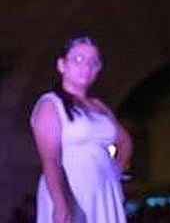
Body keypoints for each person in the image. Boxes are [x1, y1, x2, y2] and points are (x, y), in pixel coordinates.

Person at [30, 36, 131, 223]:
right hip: (71, 190)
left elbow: (124, 141)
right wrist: (60, 204)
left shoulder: (99, 106)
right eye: (78, 60)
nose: (86, 66)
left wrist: (115, 170)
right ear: (62, 65)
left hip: (103, 191)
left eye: (93, 62)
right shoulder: (50, 104)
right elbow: (50, 160)